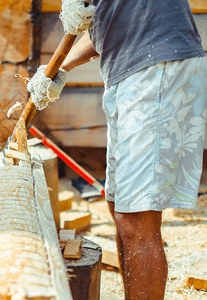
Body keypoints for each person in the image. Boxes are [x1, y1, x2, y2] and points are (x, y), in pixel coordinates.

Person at [28, 0, 206, 299]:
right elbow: (105, 27)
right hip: (132, 70)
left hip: (155, 65)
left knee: (136, 217)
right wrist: (57, 69)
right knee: (119, 207)